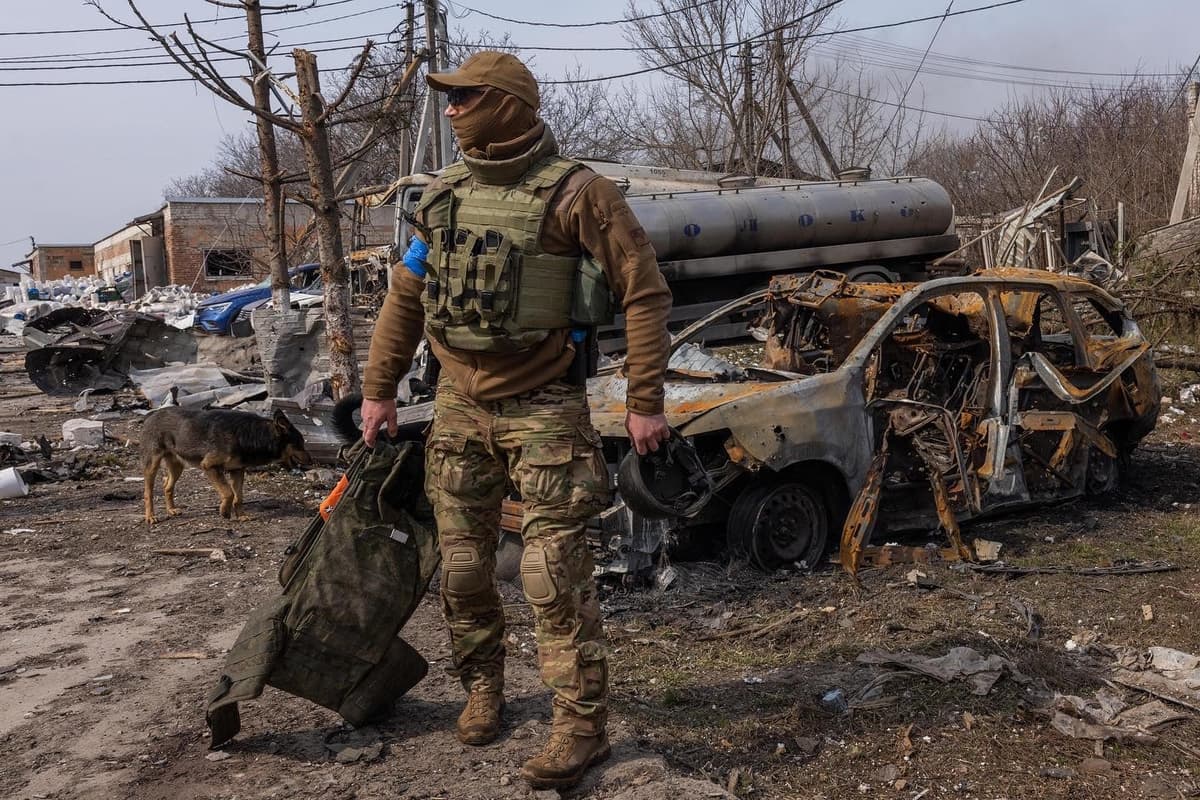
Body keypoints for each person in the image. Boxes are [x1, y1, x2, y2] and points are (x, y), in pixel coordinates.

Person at [359, 51, 673, 789]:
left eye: (464, 98)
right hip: (460, 405)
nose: (450, 110)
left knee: (551, 576)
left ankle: (580, 729)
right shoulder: (443, 197)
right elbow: (407, 297)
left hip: (544, 408)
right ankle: (483, 689)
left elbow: (645, 293)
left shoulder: (579, 194)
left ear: (504, 102)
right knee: (464, 570)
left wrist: (645, 402)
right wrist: (378, 392)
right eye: (451, 99)